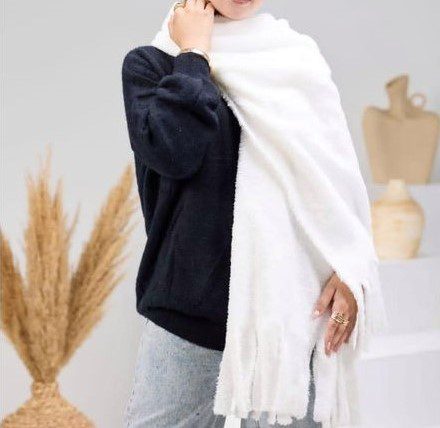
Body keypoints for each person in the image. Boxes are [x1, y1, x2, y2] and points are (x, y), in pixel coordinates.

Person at [121, 0, 359, 426]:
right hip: (188, 317)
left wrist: (351, 267)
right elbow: (174, 151)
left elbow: (335, 180)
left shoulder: (297, 59)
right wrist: (195, 54)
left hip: (289, 315)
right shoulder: (153, 66)